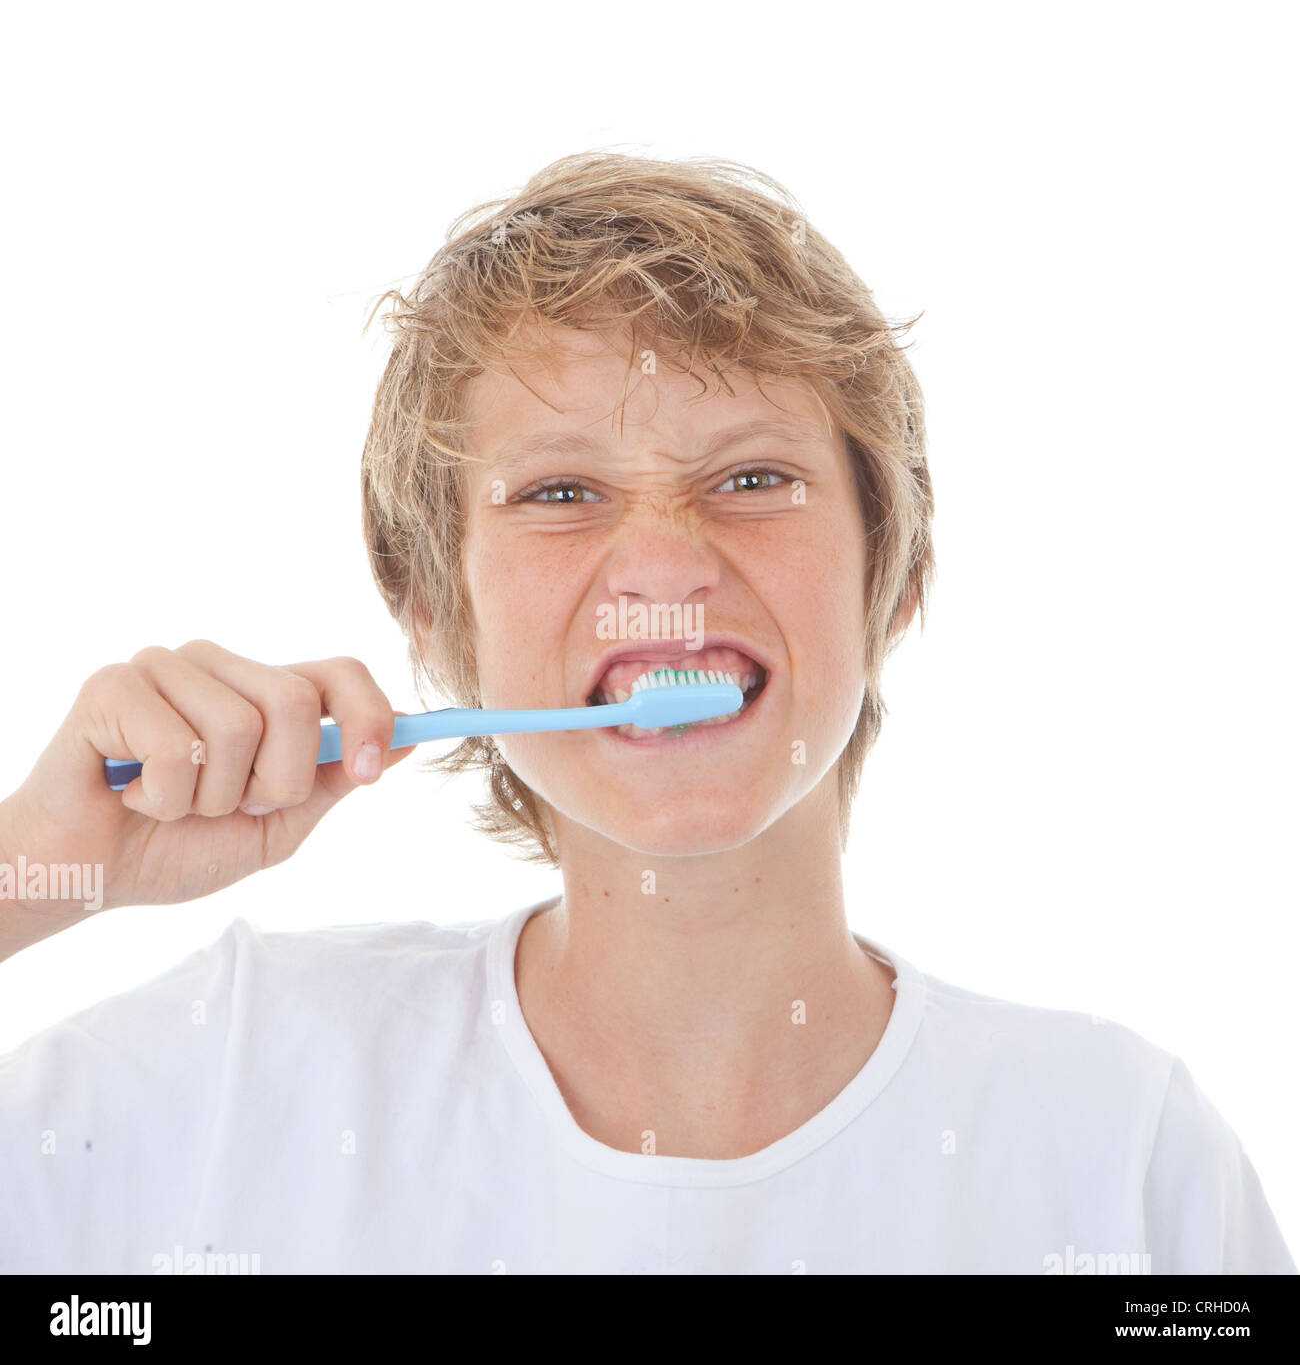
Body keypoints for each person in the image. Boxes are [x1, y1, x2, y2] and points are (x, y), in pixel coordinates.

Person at [0, 152, 1292, 1274]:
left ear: (893, 575)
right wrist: (34, 868)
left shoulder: (1122, 1156)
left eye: (750, 475)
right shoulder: (211, 1088)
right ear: (433, 614)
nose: (664, 563)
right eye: (560, 492)